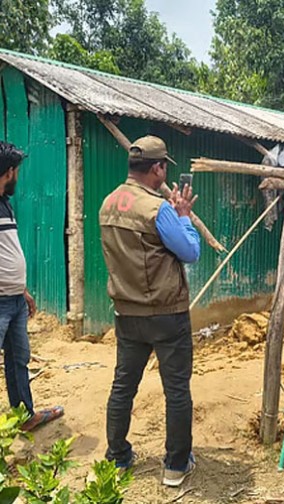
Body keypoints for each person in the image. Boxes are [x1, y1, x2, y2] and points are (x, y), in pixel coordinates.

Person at [99, 135, 200, 487]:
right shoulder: (158, 210)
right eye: (163, 168)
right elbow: (190, 251)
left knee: (123, 385)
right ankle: (175, 465)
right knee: (176, 389)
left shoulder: (108, 203)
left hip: (127, 313)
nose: (163, 175)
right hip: (165, 312)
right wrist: (183, 216)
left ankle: (117, 456)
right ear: (157, 168)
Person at [0, 141, 64, 431]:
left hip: (13, 299)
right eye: (17, 172)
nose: (18, 178)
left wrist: (22, 290)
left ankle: (25, 417)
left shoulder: (6, 204)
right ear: (9, 171)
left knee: (19, 360)